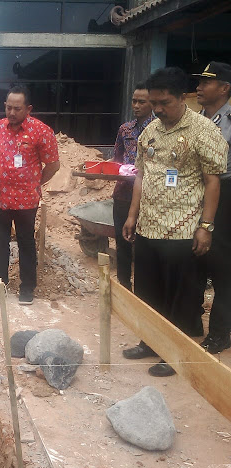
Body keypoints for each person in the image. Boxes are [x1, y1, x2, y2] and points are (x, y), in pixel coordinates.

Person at [122, 67, 228, 376]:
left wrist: (206, 227)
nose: (158, 109)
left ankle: (176, 351)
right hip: (148, 226)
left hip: (183, 228)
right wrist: (132, 215)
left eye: (164, 103)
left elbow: (213, 182)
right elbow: (141, 174)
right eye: (154, 103)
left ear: (183, 98)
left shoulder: (204, 131)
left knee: (180, 295)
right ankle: (151, 342)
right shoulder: (151, 131)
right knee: (148, 290)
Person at [0, 84, 60, 304]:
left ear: (28, 109)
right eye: (8, 107)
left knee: (26, 242)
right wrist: (2, 176)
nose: (12, 113)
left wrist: (35, 183)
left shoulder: (41, 131)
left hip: (26, 201)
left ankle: (27, 288)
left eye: (17, 108)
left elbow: (53, 164)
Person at [194, 61, 231, 353]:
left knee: (221, 268)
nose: (199, 87)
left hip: (225, 195)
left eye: (207, 82)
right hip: (196, 192)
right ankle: (192, 322)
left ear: (224, 88)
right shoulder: (197, 118)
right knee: (195, 262)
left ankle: (219, 334)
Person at [111, 83, 154, 290]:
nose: (136, 105)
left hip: (149, 196)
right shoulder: (125, 129)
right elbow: (117, 159)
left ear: (152, 103)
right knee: (122, 243)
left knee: (145, 246)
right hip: (123, 194)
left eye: (141, 102)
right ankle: (124, 286)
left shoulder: (159, 129)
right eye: (134, 101)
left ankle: (144, 293)